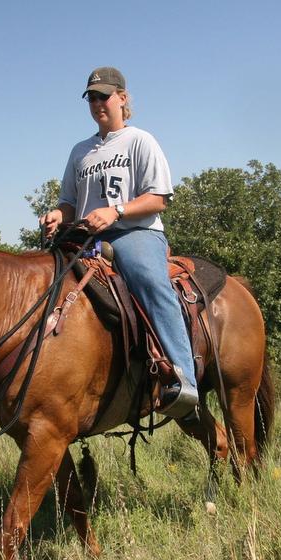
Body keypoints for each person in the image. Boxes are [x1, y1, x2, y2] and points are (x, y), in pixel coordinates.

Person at [40, 66, 199, 419]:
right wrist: (57, 214)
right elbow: (70, 202)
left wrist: (117, 211)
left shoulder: (140, 141)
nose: (97, 103)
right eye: (91, 97)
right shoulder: (80, 151)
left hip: (134, 233)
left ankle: (184, 381)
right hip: (84, 237)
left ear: (122, 99)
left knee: (147, 279)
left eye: (104, 95)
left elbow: (159, 198)